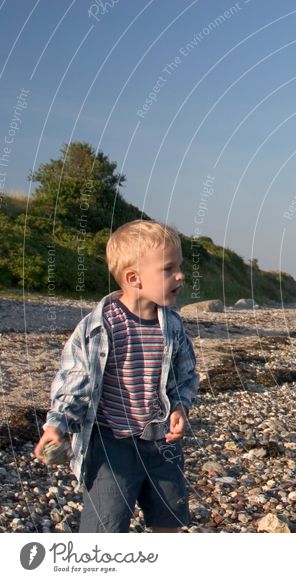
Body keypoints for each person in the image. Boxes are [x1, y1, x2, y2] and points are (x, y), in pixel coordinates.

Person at [34, 219, 199, 532]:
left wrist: (180, 405)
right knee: (105, 527)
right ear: (133, 278)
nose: (180, 275)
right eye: (168, 269)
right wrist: (57, 425)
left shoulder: (173, 327)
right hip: (111, 446)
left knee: (169, 521)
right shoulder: (99, 327)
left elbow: (185, 375)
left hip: (162, 443)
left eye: (179, 266)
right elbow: (75, 382)